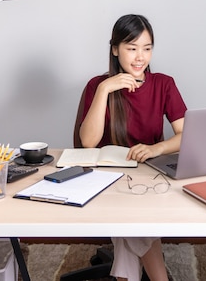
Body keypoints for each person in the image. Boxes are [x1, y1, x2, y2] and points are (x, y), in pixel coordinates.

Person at [78, 14, 187, 281]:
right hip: (107, 179)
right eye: (131, 48)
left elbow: (187, 135)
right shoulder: (96, 85)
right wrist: (105, 89)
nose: (140, 57)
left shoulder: (164, 84)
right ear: (115, 49)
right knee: (134, 220)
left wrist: (156, 148)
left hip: (150, 174)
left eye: (147, 49)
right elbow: (88, 142)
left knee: (131, 223)